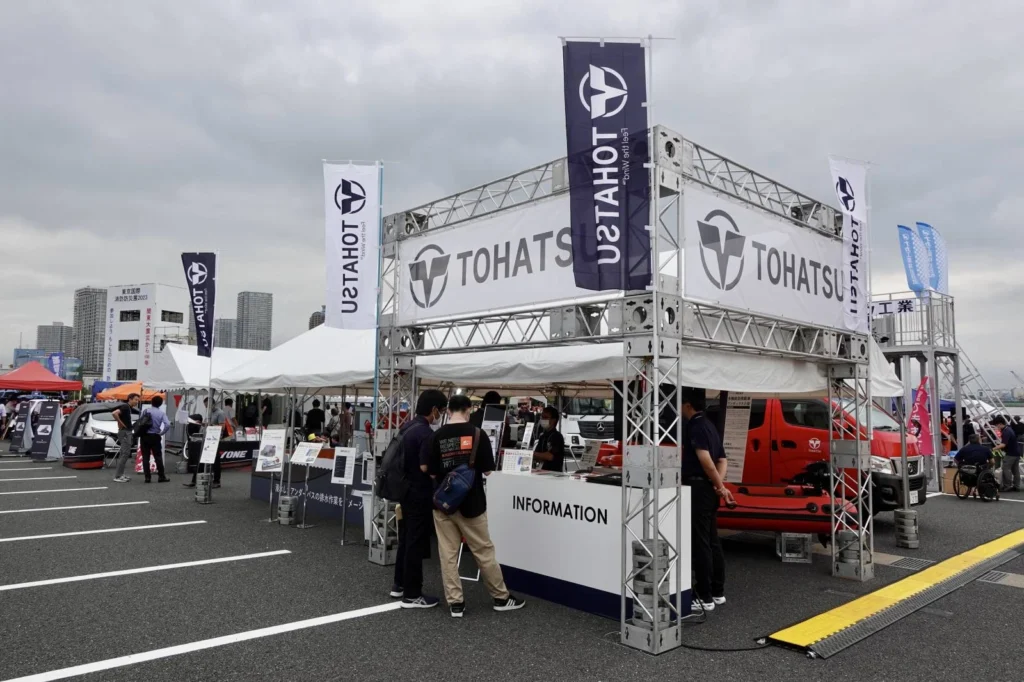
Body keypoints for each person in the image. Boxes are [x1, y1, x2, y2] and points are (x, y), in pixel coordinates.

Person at [428, 394, 525, 618]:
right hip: (472, 503)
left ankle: (456, 603)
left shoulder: (437, 436)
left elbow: (432, 472)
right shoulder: (478, 434)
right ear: (469, 409)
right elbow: (488, 470)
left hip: (443, 503)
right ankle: (501, 597)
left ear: (448, 411)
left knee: (448, 554)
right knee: (483, 550)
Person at [392, 389, 448, 609]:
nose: (441, 415)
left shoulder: (407, 427)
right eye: (441, 410)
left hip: (404, 489)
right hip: (419, 492)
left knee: (406, 539)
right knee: (415, 542)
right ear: (434, 409)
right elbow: (427, 467)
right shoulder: (425, 433)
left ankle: (399, 584)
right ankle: (412, 594)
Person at [680, 388, 734, 613]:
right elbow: (722, 460)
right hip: (708, 489)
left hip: (698, 487)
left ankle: (704, 595)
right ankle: (717, 591)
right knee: (712, 540)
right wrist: (718, 486)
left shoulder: (696, 426)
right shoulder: (710, 425)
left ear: (688, 405)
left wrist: (718, 486)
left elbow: (706, 461)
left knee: (700, 541)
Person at [138, 396, 171, 483]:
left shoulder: (145, 411)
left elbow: (140, 422)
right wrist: (162, 432)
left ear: (151, 402)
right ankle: (161, 476)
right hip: (155, 436)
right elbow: (167, 424)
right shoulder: (161, 413)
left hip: (145, 436)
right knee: (158, 457)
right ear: (160, 404)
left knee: (145, 457)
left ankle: (147, 477)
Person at [112, 393, 141, 483]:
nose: (137, 401)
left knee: (123, 454)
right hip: (125, 432)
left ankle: (121, 474)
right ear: (130, 399)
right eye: (135, 399)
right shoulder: (125, 407)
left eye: (138, 400)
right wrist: (121, 423)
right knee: (125, 454)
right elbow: (114, 413)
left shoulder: (128, 408)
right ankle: (118, 476)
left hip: (126, 432)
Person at [532, 406, 565, 472]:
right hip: (541, 471)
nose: (543, 419)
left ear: (554, 420)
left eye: (545, 417)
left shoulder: (557, 436)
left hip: (553, 473)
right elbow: (537, 454)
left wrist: (531, 454)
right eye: (542, 417)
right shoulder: (542, 436)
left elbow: (550, 456)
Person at [992, 415, 1021, 492]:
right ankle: (1017, 486)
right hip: (1016, 452)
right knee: (1015, 470)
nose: (996, 427)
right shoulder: (1009, 428)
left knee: (1006, 469)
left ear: (1000, 424)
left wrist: (993, 449)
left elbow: (1003, 444)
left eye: (996, 425)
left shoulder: (1006, 432)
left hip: (1010, 453)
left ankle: (1007, 486)